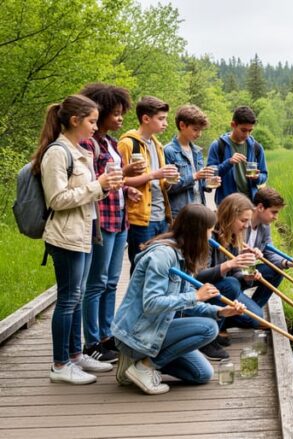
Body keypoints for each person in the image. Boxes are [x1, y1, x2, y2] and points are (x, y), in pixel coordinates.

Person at [32, 95, 123, 384]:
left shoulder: (75, 149)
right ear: (75, 121)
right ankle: (60, 365)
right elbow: (57, 199)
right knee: (68, 300)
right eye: (92, 121)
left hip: (82, 234)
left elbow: (84, 193)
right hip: (65, 237)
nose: (96, 128)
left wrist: (105, 187)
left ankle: (74, 355)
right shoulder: (57, 152)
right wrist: (99, 185)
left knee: (77, 297)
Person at [112, 204, 246, 395]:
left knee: (202, 374)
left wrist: (220, 311)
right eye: (209, 232)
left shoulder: (184, 255)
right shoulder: (162, 256)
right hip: (137, 333)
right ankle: (144, 367)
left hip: (159, 328)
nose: (210, 238)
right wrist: (195, 296)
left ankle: (136, 365)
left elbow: (188, 303)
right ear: (197, 232)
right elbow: (151, 304)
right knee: (209, 328)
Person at [79, 83, 144, 363]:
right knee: (97, 282)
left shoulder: (111, 143)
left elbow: (114, 182)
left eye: (122, 114)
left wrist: (128, 188)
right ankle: (91, 340)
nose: (120, 119)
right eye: (115, 114)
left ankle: (107, 336)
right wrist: (124, 173)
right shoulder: (87, 144)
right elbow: (91, 181)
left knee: (112, 281)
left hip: (119, 219)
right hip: (101, 219)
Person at [195, 193, 267, 360]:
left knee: (255, 320)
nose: (246, 225)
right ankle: (208, 337)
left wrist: (247, 278)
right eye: (243, 220)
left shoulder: (234, 235)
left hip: (221, 289)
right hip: (201, 291)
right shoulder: (209, 236)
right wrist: (229, 265)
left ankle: (220, 321)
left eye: (248, 221)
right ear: (229, 216)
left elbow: (236, 275)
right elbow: (197, 276)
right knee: (231, 285)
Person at [117, 96, 179, 273]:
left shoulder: (157, 145)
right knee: (141, 267)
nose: (165, 123)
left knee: (158, 266)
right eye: (161, 119)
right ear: (146, 119)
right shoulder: (127, 143)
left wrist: (168, 180)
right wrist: (153, 175)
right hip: (141, 217)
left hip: (161, 215)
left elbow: (157, 181)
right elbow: (120, 180)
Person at [244, 187, 293, 305]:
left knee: (277, 270)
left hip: (248, 270)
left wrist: (290, 263)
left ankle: (255, 307)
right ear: (260, 207)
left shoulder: (265, 227)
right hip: (233, 274)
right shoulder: (241, 223)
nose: (276, 217)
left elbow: (270, 253)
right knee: (251, 319)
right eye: (274, 212)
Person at [206, 106, 267, 205]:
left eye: (250, 130)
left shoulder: (256, 147)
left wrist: (257, 177)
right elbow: (210, 174)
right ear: (233, 125)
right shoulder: (218, 145)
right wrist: (229, 162)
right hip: (227, 203)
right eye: (243, 130)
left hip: (250, 202)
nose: (247, 134)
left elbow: (264, 175)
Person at [164, 104, 214, 219]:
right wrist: (194, 176)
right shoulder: (169, 151)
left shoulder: (197, 151)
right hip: (180, 214)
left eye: (201, 130)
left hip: (199, 210)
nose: (199, 134)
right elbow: (169, 187)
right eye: (195, 129)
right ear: (182, 125)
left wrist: (209, 183)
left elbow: (200, 185)